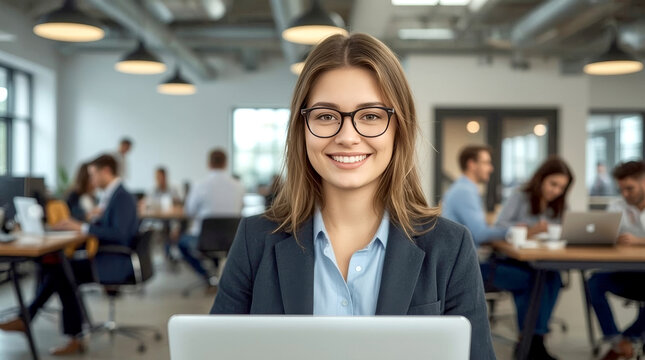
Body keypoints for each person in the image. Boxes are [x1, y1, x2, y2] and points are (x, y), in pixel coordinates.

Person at [210, 33, 495, 359]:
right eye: (326, 116)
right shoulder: (255, 239)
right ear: (302, 129)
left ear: (398, 127)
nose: (347, 137)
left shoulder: (450, 246)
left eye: (371, 116)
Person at [442, 146, 562, 360]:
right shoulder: (464, 191)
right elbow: (478, 234)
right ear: (472, 164)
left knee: (543, 275)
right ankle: (530, 343)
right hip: (468, 269)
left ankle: (530, 342)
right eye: (486, 162)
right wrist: (520, 229)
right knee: (535, 278)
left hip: (470, 262)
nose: (491, 168)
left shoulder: (465, 189)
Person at [588, 160, 645, 360]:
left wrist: (639, 242)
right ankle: (616, 340)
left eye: (630, 188)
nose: (625, 194)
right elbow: (605, 236)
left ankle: (629, 339)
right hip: (624, 272)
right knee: (594, 282)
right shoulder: (616, 206)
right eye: (622, 189)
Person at [55, 154, 139, 284]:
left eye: (93, 174)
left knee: (59, 270)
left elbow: (119, 234)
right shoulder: (113, 195)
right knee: (58, 268)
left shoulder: (122, 197)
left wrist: (82, 227)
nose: (91, 179)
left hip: (114, 261)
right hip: (109, 256)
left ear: (106, 171)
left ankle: (32, 305)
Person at [179, 149, 244, 286]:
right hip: (232, 239)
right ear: (226, 163)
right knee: (217, 245)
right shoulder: (239, 186)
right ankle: (216, 274)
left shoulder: (199, 186)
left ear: (209, 163)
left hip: (204, 240)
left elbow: (189, 212)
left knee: (181, 243)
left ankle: (207, 275)